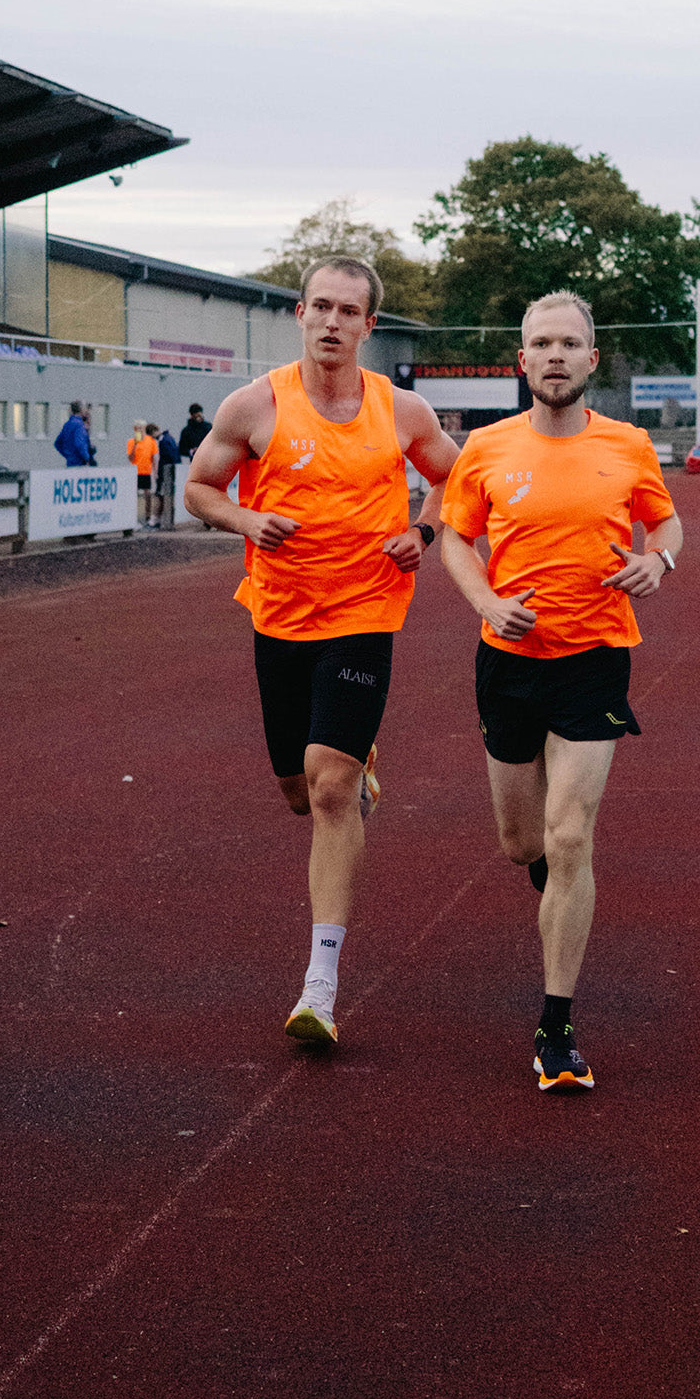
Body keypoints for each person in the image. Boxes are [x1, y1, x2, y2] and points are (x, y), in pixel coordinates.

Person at [183, 255, 460, 1045]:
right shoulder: (254, 405)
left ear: (370, 326)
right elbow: (199, 488)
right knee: (297, 791)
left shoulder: (402, 410)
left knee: (331, 788)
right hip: (278, 618)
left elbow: (455, 477)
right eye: (321, 308)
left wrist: (422, 531)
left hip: (366, 611)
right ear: (299, 315)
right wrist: (245, 522)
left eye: (350, 312)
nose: (334, 323)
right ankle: (350, 766)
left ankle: (320, 985)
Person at [440, 290, 683, 1094]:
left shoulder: (630, 445)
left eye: (567, 342)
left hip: (595, 660)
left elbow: (666, 524)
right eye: (539, 342)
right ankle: (560, 894)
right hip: (508, 662)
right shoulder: (484, 447)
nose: (553, 354)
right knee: (524, 844)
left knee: (571, 835)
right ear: (522, 361)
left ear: (591, 359)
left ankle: (555, 1029)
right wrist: (484, 601)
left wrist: (660, 560)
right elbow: (455, 539)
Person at [127, 421, 159, 525]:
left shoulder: (150, 441)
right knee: (134, 495)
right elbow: (130, 458)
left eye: (141, 428)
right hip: (135, 472)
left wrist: (155, 471)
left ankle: (147, 516)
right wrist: (135, 446)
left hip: (146, 471)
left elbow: (154, 457)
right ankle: (133, 516)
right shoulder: (131, 442)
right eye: (137, 428)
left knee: (148, 494)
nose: (139, 430)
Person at [149, 424, 180, 529]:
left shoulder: (164, 440)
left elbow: (168, 457)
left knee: (163, 495)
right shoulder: (169, 438)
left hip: (166, 472)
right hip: (170, 471)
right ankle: (166, 521)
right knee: (166, 496)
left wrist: (160, 472)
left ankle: (163, 521)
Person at [54, 402, 96, 468]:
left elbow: (57, 443)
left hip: (70, 462)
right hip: (80, 463)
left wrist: (67, 455)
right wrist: (87, 458)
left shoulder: (67, 424)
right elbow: (79, 444)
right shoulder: (79, 425)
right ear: (81, 410)